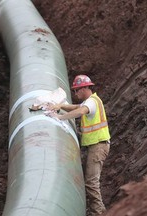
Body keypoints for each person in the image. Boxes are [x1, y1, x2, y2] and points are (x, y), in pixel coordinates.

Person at [49, 74, 111, 216]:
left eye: (77, 90)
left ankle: (100, 213)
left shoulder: (91, 103)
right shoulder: (92, 101)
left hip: (98, 147)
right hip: (96, 146)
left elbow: (81, 110)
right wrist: (61, 106)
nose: (75, 93)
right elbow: (76, 107)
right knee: (91, 182)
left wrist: (60, 117)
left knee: (91, 183)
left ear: (84, 88)